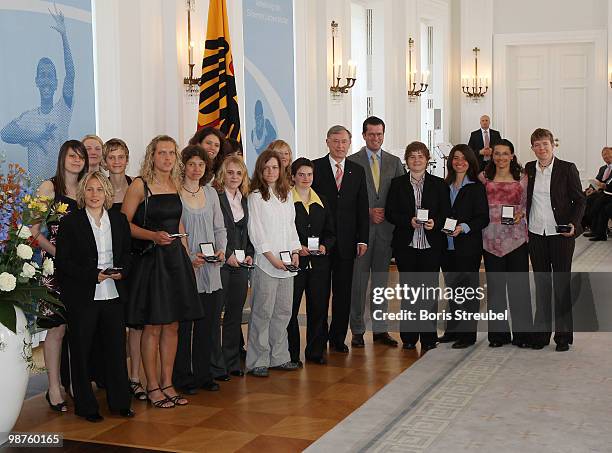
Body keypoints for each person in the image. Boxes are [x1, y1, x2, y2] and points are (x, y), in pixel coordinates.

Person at [122, 135, 203, 408]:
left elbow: (178, 220)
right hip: (151, 260)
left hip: (176, 260)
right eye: (162, 153)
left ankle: (168, 383)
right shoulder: (139, 185)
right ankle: (152, 385)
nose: (167, 158)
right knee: (153, 325)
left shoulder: (175, 183)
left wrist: (188, 253)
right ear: (152, 156)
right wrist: (152, 236)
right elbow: (124, 225)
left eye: (171, 153)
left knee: (173, 324)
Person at [55, 171, 133, 422]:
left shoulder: (119, 220)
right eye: (89, 189)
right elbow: (63, 262)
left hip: (113, 295)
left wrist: (122, 273)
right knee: (81, 351)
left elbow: (128, 255)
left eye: (99, 189)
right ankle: (86, 407)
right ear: (82, 193)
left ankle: (120, 403)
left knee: (116, 351)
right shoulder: (71, 222)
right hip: (84, 296)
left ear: (107, 193)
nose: (94, 194)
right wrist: (92, 275)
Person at [31, 139, 88, 413]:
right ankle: (54, 387)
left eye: (81, 156)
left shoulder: (87, 188)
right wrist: (58, 254)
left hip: (82, 270)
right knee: (56, 328)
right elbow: (33, 231)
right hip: (55, 268)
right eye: (71, 155)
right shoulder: (48, 187)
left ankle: (77, 383)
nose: (76, 160)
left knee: (79, 328)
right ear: (62, 158)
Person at [385, 141, 450, 352]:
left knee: (429, 292)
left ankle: (429, 337)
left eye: (421, 156)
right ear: (407, 161)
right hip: (407, 246)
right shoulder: (397, 184)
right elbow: (390, 213)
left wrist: (436, 223)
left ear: (427, 159)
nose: (416, 160)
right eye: (412, 156)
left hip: (431, 246)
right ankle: (410, 337)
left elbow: (446, 212)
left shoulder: (439, 184)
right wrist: (408, 221)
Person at [525, 128, 586, 351]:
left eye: (545, 144)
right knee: (542, 284)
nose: (541, 149)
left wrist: (574, 224)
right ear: (532, 148)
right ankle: (541, 334)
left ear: (553, 145)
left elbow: (580, 200)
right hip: (536, 233)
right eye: (537, 145)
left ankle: (562, 336)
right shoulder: (529, 169)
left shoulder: (567, 168)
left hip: (560, 234)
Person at [0, 4, 74, 185]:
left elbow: (70, 74)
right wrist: (35, 136)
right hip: (36, 196)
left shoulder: (62, 110)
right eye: (43, 76)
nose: (47, 80)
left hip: (61, 191)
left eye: (50, 76)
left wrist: (64, 36)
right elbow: (5, 134)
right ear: (37, 81)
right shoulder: (29, 117)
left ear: (56, 83)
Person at [173, 145, 227, 393]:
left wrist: (221, 250)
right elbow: (176, 231)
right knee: (185, 326)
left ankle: (204, 375)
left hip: (210, 268)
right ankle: (183, 377)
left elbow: (220, 229)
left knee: (208, 323)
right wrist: (187, 258)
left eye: (201, 164)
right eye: (192, 163)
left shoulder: (211, 193)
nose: (196, 169)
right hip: (187, 267)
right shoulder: (175, 193)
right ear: (184, 165)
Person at [348, 116, 405, 348]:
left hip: (385, 232)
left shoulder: (394, 162)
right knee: (358, 283)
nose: (376, 138)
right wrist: (367, 212)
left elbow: (402, 196)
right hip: (361, 232)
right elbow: (347, 201)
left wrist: (387, 211)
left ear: (384, 134)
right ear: (363, 135)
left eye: (379, 134)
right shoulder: (352, 162)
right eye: (371, 134)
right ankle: (358, 330)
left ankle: (381, 330)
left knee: (381, 283)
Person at [312, 126, 369, 353]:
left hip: (348, 243)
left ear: (350, 143)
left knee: (343, 293)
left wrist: (362, 239)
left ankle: (337, 339)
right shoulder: (315, 168)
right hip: (322, 244)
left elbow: (361, 207)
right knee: (320, 294)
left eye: (344, 141)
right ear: (327, 142)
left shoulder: (357, 170)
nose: (340, 145)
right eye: (335, 141)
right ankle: (317, 340)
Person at [246, 149, 301, 377]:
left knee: (283, 312)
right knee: (262, 312)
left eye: (275, 167)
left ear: (281, 170)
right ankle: (258, 360)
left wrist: (296, 252)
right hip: (266, 264)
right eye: (267, 167)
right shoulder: (256, 196)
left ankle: (279, 357)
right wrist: (272, 258)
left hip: (287, 264)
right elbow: (256, 232)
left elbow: (291, 227)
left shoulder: (287, 194)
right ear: (260, 169)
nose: (271, 171)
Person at [101, 137, 145, 400]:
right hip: (106, 266)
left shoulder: (136, 185)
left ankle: (136, 377)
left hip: (135, 262)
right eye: (111, 157)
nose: (116, 162)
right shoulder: (97, 188)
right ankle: (113, 376)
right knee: (113, 325)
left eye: (121, 157)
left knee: (136, 324)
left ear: (127, 160)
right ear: (105, 161)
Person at [478, 139, 533, 348]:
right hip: (490, 240)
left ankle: (522, 335)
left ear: (512, 156)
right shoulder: (483, 178)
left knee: (519, 288)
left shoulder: (523, 179)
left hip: (516, 239)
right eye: (497, 154)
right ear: (492, 156)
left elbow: (528, 205)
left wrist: (522, 214)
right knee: (496, 288)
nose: (501, 158)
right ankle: (498, 336)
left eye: (505, 154)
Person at [438, 145, 489, 349]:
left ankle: (467, 336)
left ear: (470, 161)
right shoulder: (443, 185)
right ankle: (452, 331)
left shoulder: (476, 187)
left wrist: (464, 227)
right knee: (452, 290)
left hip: (467, 246)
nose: (459, 162)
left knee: (467, 291)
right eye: (456, 158)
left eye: (464, 158)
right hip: (446, 245)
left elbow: (483, 218)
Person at [288, 158, 335, 365]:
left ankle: (316, 351)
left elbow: (331, 232)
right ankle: (290, 354)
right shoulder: (286, 200)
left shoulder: (322, 200)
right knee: (291, 309)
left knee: (318, 308)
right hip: (296, 264)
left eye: (309, 174)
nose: (306, 178)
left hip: (319, 265)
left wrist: (325, 245)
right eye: (301, 174)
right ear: (293, 177)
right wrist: (297, 247)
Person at [213, 156, 254, 377]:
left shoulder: (245, 200)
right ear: (222, 174)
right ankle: (216, 365)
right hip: (221, 264)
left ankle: (231, 362)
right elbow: (214, 230)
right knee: (214, 316)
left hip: (241, 266)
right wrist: (227, 255)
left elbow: (249, 233)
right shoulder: (216, 198)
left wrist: (249, 254)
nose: (234, 177)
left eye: (238, 173)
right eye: (230, 172)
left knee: (234, 315)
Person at [583, 147, 612, 238]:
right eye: (603, 155)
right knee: (585, 196)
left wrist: (603, 186)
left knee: (596, 202)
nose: (605, 156)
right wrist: (591, 188)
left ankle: (590, 227)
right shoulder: (602, 168)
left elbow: (607, 184)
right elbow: (596, 181)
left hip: (609, 193)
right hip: (601, 193)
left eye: (608, 154)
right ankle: (594, 229)